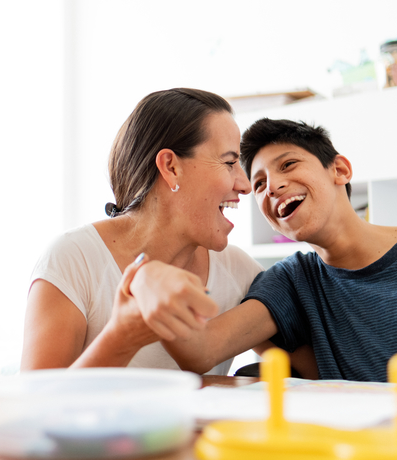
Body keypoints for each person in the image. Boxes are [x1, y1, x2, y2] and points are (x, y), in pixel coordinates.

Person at [128, 118, 397, 382]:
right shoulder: (292, 281)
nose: (273, 187)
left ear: (339, 170)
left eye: (288, 164)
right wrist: (144, 281)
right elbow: (200, 350)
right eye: (258, 184)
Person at [20, 88, 263, 374]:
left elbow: (303, 365)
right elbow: (32, 407)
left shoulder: (239, 272)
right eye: (230, 163)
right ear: (171, 167)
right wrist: (123, 336)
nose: (245, 185)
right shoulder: (73, 259)